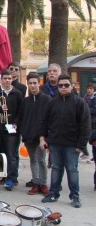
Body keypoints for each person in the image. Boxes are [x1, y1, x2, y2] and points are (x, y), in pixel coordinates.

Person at [40, 74, 90, 208]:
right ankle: (53, 193)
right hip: (55, 144)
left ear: (71, 86)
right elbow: (45, 122)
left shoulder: (80, 103)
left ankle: (75, 196)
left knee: (72, 170)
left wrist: (81, 145)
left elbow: (86, 125)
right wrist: (43, 138)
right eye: (60, 85)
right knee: (56, 169)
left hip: (72, 145)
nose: (63, 87)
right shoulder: (52, 102)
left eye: (66, 85)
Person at [0, 69, 23, 191]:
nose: (7, 80)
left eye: (9, 78)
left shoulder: (17, 93)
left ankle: (11, 178)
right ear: (2, 79)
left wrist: (16, 123)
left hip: (12, 127)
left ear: (12, 79)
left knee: (11, 154)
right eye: (5, 78)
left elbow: (21, 112)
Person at [20, 72, 50, 195]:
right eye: (30, 83)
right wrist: (23, 131)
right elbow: (22, 117)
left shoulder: (47, 99)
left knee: (41, 159)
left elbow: (49, 118)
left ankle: (43, 183)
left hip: (41, 137)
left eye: (34, 83)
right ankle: (36, 183)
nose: (32, 86)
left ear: (39, 84)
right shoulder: (25, 101)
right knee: (33, 159)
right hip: (28, 136)